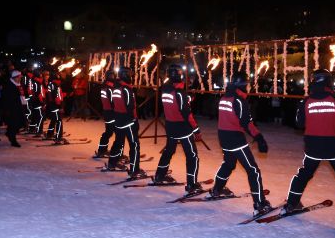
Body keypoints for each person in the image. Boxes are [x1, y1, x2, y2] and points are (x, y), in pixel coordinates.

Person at [282, 69, 335, 226]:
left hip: (313, 146)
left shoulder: (305, 101)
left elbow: (299, 123)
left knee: (303, 175)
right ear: (328, 81)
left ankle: (291, 203)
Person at [207, 72, 271, 216]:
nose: (247, 87)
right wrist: (259, 137)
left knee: (229, 164)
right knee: (253, 170)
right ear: (241, 85)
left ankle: (217, 190)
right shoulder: (239, 101)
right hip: (235, 139)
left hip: (223, 137)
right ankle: (259, 204)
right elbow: (246, 123)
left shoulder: (225, 97)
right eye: (246, 84)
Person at [154, 64, 203, 195]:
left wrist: (186, 98)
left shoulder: (165, 89)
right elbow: (186, 113)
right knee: (192, 156)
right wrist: (196, 128)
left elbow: (175, 103)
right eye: (180, 73)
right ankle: (191, 184)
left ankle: (160, 174)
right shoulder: (179, 91)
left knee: (169, 151)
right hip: (183, 127)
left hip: (170, 125)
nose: (181, 75)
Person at [105, 67, 146, 179]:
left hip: (118, 120)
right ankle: (134, 169)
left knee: (118, 142)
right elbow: (130, 107)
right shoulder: (126, 89)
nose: (131, 76)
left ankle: (112, 163)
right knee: (134, 145)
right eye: (129, 74)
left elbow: (114, 103)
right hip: (128, 121)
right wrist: (134, 119)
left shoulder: (115, 87)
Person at [94, 70, 116, 158]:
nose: (114, 77)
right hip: (111, 112)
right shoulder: (109, 88)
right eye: (112, 76)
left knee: (109, 132)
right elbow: (112, 101)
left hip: (107, 112)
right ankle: (116, 153)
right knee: (118, 134)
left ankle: (102, 150)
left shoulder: (105, 86)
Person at [2, 70, 26, 147]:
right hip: (12, 108)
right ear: (14, 77)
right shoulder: (9, 85)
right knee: (14, 124)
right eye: (19, 77)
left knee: (20, 123)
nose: (20, 78)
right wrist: (7, 109)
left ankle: (9, 133)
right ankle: (13, 140)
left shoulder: (18, 84)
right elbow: (6, 98)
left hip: (19, 106)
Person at [46, 71, 64, 144]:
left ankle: (49, 134)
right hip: (56, 106)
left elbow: (49, 95)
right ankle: (58, 137)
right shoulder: (56, 86)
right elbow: (57, 98)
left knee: (53, 120)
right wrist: (60, 107)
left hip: (51, 105)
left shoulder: (50, 84)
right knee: (59, 121)